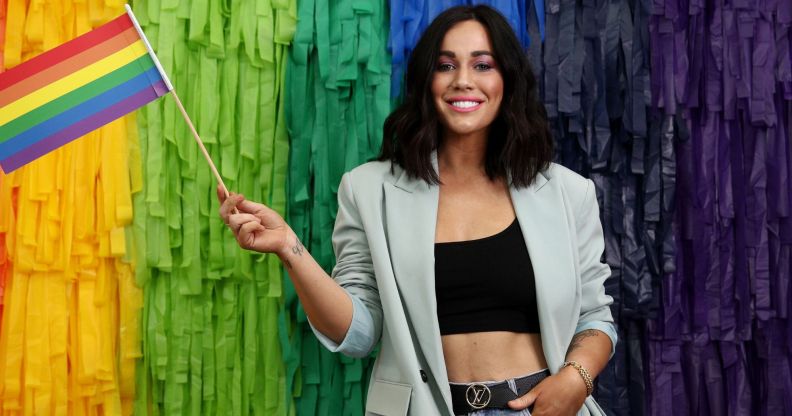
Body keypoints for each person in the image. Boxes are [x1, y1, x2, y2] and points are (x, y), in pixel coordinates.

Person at [219, 5, 616, 416]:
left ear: (507, 80)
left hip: (540, 407)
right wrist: (289, 248)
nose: (463, 80)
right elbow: (358, 334)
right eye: (446, 65)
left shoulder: (568, 192)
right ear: (427, 81)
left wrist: (576, 379)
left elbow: (595, 317)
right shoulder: (369, 190)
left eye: (483, 65)